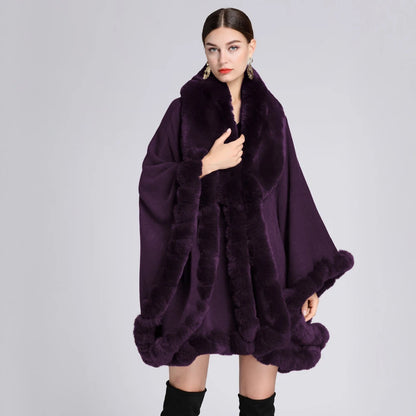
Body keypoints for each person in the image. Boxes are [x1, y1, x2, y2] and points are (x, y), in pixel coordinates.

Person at [133, 7, 354, 416]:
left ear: (252, 47)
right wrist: (204, 166)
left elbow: (291, 194)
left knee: (258, 405)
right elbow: (152, 180)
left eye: (233, 47)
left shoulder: (272, 115)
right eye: (213, 49)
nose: (223, 59)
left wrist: (306, 280)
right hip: (199, 274)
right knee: (182, 403)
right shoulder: (182, 112)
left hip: (260, 276)